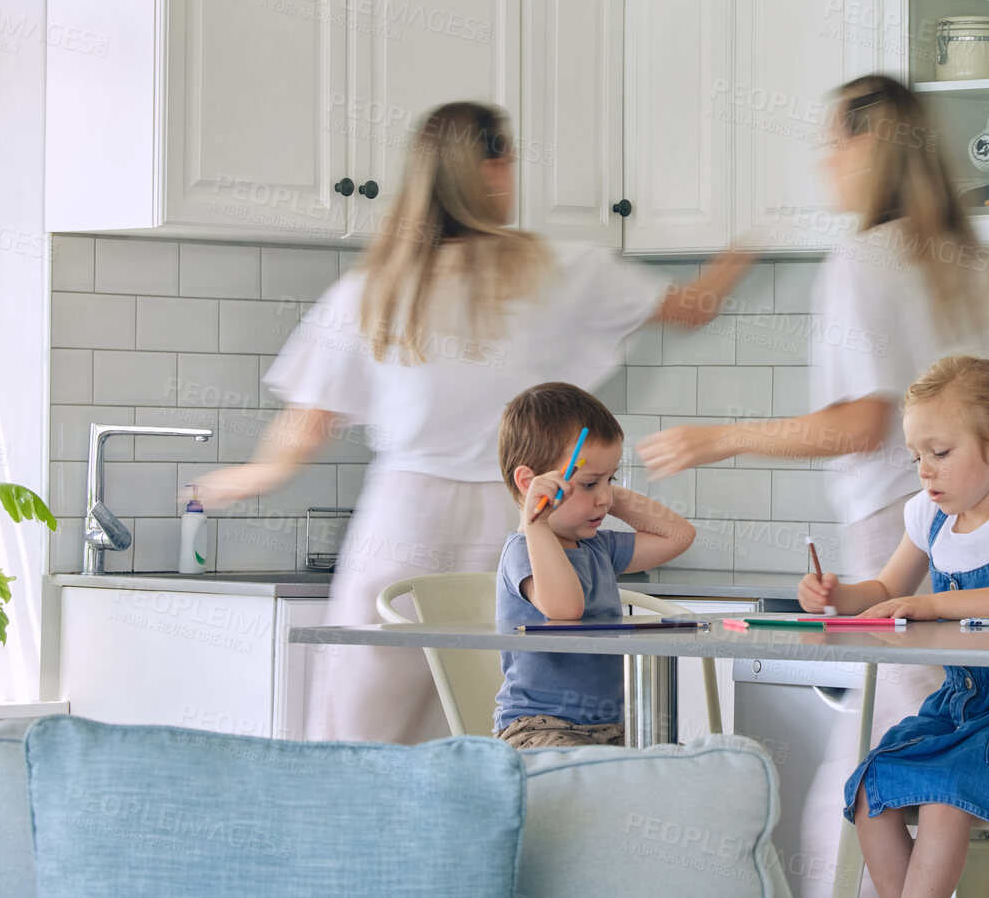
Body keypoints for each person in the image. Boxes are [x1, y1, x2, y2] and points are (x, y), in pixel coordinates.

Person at [192, 101, 752, 744]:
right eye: (508, 158)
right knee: (503, 726)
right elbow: (693, 307)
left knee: (360, 728)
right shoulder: (555, 271)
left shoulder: (377, 289)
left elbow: (306, 426)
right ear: (489, 168)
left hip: (402, 519)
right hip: (514, 513)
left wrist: (250, 476)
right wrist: (751, 236)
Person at [636, 75, 987, 893]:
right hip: (980, 544)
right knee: (943, 769)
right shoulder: (964, 263)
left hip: (896, 537)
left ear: (869, 147)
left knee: (868, 777)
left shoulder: (863, 261)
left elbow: (861, 422)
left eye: (835, 140)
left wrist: (718, 437)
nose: (826, 160)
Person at [799, 356, 989, 898]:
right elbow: (885, 589)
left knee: (945, 792)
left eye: (940, 453)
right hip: (961, 706)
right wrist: (835, 595)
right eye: (917, 455)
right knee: (872, 790)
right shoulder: (928, 515)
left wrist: (938, 606)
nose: (924, 469)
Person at [493, 382, 696, 749]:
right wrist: (536, 521)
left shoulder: (598, 547)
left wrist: (600, 490)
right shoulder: (522, 551)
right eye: (588, 483)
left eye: (611, 479)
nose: (604, 497)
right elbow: (566, 608)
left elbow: (679, 535)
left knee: (679, 768)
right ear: (530, 484)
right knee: (596, 775)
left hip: (614, 725)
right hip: (539, 728)